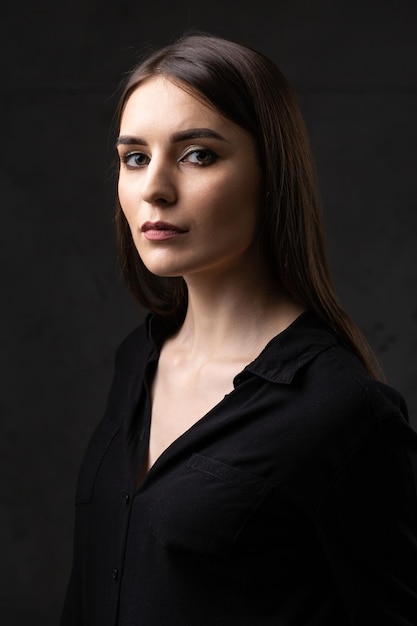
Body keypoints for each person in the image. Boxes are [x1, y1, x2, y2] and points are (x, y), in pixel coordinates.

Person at [61, 32, 417, 625]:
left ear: (271, 171)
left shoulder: (342, 412)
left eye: (198, 154)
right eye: (135, 157)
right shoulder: (137, 361)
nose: (154, 189)